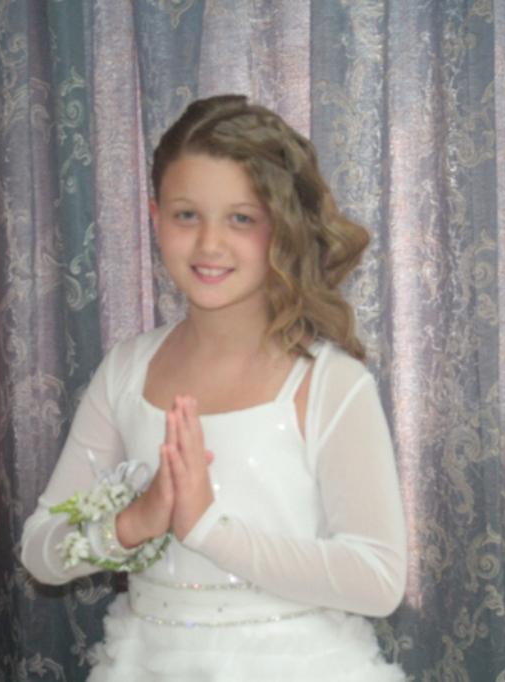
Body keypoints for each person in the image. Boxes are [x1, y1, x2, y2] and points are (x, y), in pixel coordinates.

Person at [21, 94, 408, 681]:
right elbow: (40, 551)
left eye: (241, 218)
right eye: (187, 215)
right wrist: (135, 521)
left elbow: (378, 580)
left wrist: (208, 530)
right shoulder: (126, 371)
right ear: (155, 217)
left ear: (282, 225)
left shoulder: (330, 383)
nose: (209, 244)